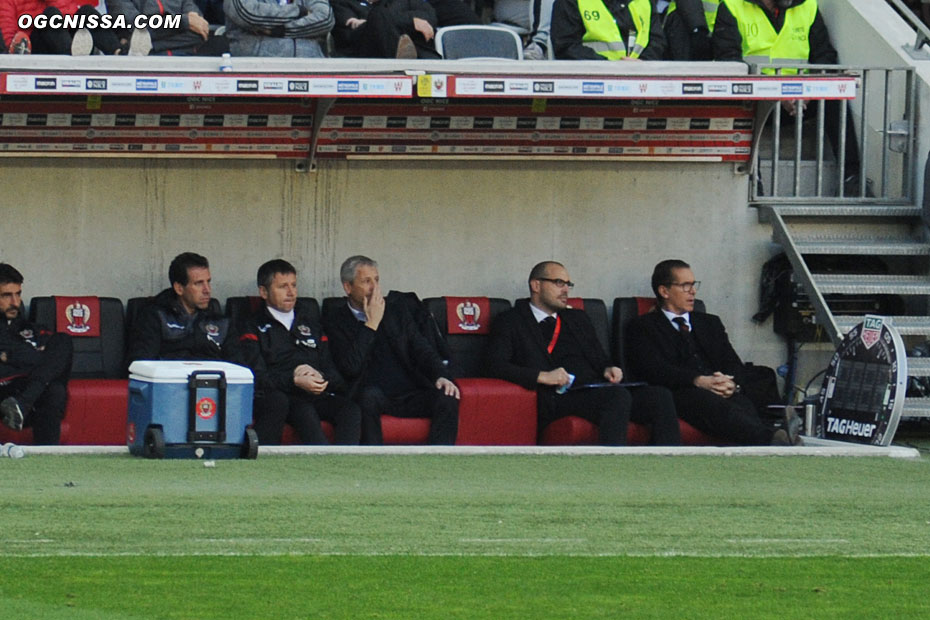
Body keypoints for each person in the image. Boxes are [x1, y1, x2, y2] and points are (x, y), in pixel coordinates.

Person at [486, 261, 680, 446]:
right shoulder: (511, 320)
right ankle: (612, 467)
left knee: (659, 396)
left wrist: (608, 368)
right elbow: (494, 365)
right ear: (536, 285)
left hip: (593, 387)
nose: (565, 290)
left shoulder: (578, 318)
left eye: (568, 284)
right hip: (557, 395)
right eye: (558, 283)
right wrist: (542, 376)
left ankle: (670, 466)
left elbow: (599, 357)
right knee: (616, 397)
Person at [626, 259, 800, 446]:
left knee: (743, 402)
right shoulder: (643, 326)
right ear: (664, 291)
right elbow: (654, 369)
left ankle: (775, 438)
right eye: (685, 286)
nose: (692, 291)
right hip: (680, 391)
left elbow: (732, 362)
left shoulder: (709, 323)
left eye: (693, 285)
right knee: (712, 405)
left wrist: (731, 384)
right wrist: (699, 380)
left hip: (717, 387)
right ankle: (774, 438)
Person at [323, 255, 459, 445]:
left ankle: (439, 462)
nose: (374, 288)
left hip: (409, 391)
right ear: (348, 287)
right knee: (368, 397)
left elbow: (421, 349)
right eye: (366, 281)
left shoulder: (396, 311)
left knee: (448, 397)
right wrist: (371, 324)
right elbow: (350, 367)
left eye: (376, 280)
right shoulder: (336, 320)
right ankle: (374, 462)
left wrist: (440, 375)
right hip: (372, 395)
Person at [237, 260, 361, 445]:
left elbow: (335, 375)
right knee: (304, 411)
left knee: (350, 410)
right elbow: (257, 378)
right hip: (283, 397)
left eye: (294, 285)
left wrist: (319, 376)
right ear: (264, 292)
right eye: (282, 286)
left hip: (316, 394)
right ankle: (325, 463)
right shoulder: (252, 326)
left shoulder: (311, 323)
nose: (291, 292)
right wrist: (294, 379)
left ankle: (348, 464)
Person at [0, 263, 73, 445]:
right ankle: (22, 403)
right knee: (52, 385)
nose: (15, 302)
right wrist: (35, 356)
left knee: (63, 340)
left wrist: (9, 356)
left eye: (18, 294)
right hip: (3, 392)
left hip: (29, 394)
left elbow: (58, 355)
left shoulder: (31, 329)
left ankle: (23, 404)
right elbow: (39, 359)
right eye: (6, 295)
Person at [127, 252, 236, 364]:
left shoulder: (222, 322)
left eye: (208, 282)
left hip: (214, 380)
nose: (207, 290)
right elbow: (140, 364)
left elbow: (240, 369)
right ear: (179, 288)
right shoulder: (155, 316)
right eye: (199, 283)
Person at [0, 0, 149, 54]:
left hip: (67, 39)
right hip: (36, 46)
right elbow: (8, 33)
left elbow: (71, 15)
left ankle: (119, 52)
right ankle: (73, 54)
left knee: (86, 12)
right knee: (50, 15)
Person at [550, 0, 666, 60]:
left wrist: (642, 63)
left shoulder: (644, 2)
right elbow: (565, 46)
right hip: (590, 84)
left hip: (641, 81)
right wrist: (609, 67)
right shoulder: (571, 2)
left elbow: (657, 43)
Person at [108, 0, 228, 56]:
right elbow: (136, 27)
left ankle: (150, 46)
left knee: (217, 41)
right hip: (145, 62)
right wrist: (183, 22)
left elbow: (199, 25)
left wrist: (151, 41)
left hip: (187, 57)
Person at [223, 0, 334, 57]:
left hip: (310, 67)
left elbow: (326, 19)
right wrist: (300, 12)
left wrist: (280, 31)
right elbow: (249, 14)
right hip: (258, 69)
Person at [331, 0, 437, 59]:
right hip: (365, 54)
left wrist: (406, 20)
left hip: (420, 57)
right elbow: (349, 34)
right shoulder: (342, 2)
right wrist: (412, 21)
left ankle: (403, 54)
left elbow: (430, 17)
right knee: (378, 16)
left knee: (379, 17)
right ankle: (399, 55)